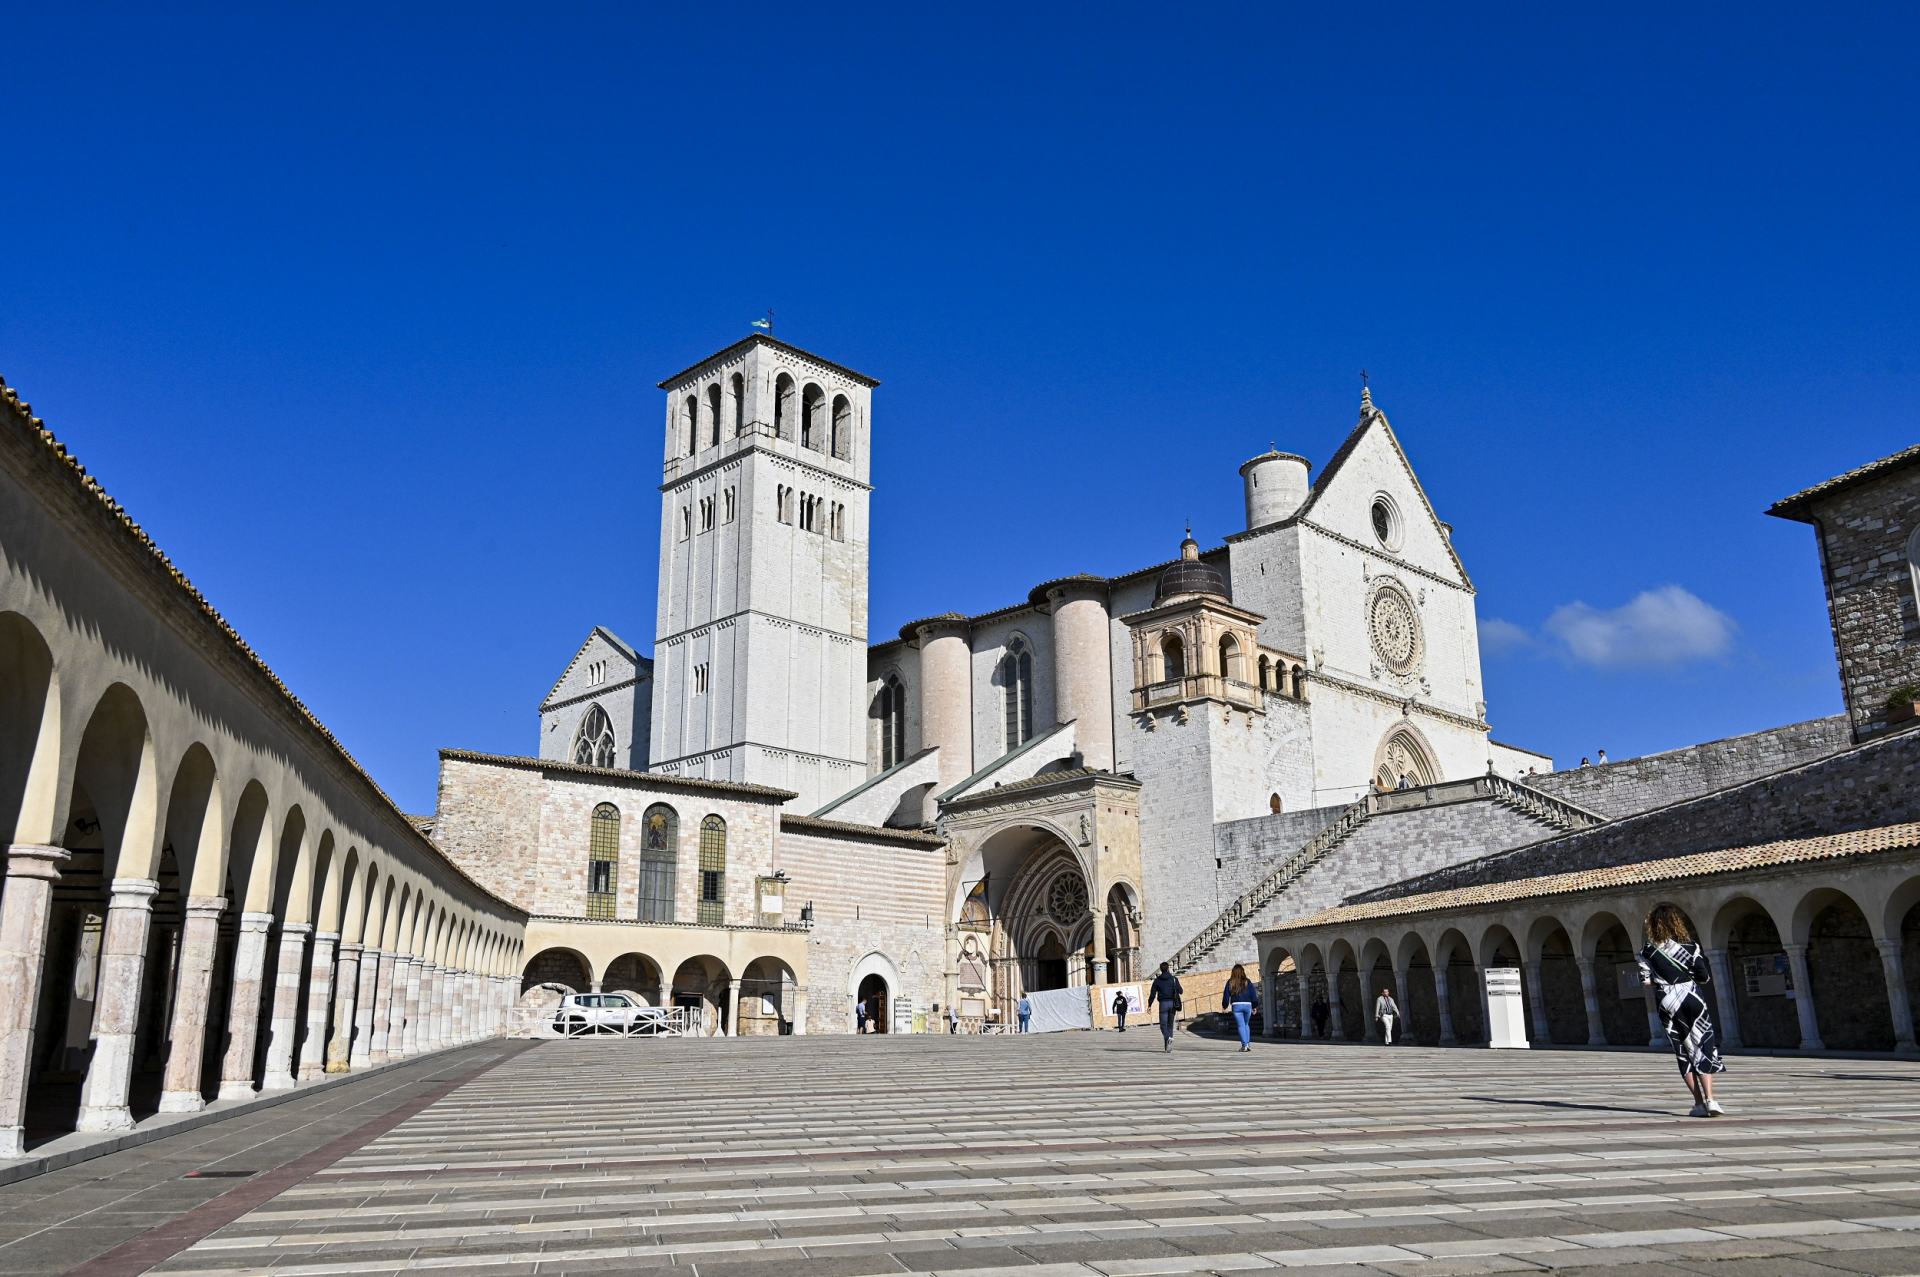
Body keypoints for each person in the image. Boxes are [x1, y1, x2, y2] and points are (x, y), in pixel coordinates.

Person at [1638, 903, 1728, 1117]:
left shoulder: (1647, 951)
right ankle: (1711, 1100)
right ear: (1676, 923)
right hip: (1692, 997)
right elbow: (1704, 977)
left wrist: (1664, 979)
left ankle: (1698, 1104)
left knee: (1683, 1051)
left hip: (1667, 1000)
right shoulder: (1691, 947)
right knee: (1703, 1046)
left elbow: (1646, 981)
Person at [1221, 964, 1259, 1051]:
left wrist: (1224, 1005)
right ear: (1242, 971)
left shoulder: (1230, 982)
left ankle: (1244, 1045)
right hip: (1247, 1005)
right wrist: (1254, 1005)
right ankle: (1247, 1044)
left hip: (1236, 1005)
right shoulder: (1247, 981)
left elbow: (1226, 995)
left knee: (1241, 1025)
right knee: (1246, 1024)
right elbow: (1253, 995)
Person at [1147, 962, 1183, 1053]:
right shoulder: (1174, 979)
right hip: (1173, 1004)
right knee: (1170, 1025)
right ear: (1168, 969)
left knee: (1163, 1026)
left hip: (1163, 1004)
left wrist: (1149, 1005)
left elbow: (1152, 994)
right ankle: (1168, 1047)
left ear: (1161, 969)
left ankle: (1168, 1038)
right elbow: (1181, 991)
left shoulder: (1157, 980)